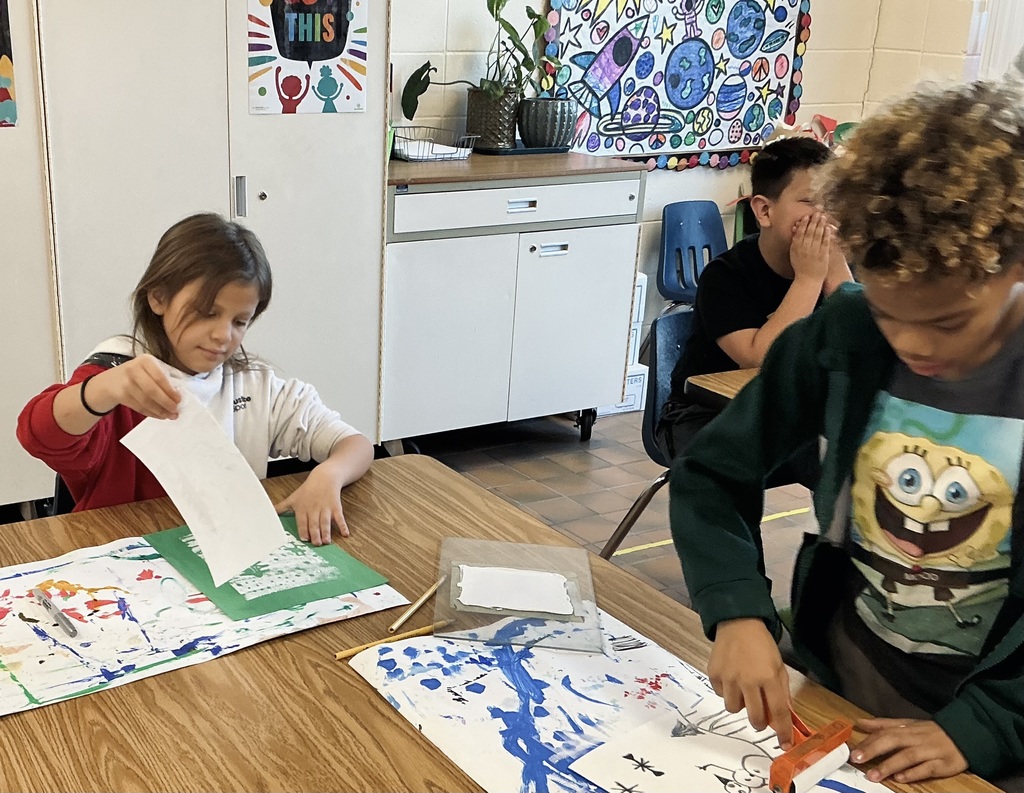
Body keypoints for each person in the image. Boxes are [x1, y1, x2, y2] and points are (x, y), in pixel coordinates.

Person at [670, 77, 1024, 790]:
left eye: (948, 321)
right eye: (890, 310)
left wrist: (984, 725)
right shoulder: (845, 332)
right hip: (843, 684)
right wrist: (737, 610)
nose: (912, 343)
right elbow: (712, 473)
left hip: (989, 727)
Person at [18, 213, 372, 546]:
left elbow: (354, 444)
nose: (223, 335)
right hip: (124, 560)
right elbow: (37, 433)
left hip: (222, 554)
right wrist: (102, 391)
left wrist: (329, 475)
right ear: (158, 298)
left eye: (240, 321)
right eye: (207, 313)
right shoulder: (121, 375)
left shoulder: (253, 385)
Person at [656, 136, 853, 463]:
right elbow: (760, 359)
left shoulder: (832, 266)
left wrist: (836, 272)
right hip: (702, 412)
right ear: (764, 210)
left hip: (789, 410)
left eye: (833, 202)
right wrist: (808, 279)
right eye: (810, 202)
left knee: (851, 456)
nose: (824, 216)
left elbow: (862, 341)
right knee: (728, 463)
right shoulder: (724, 276)